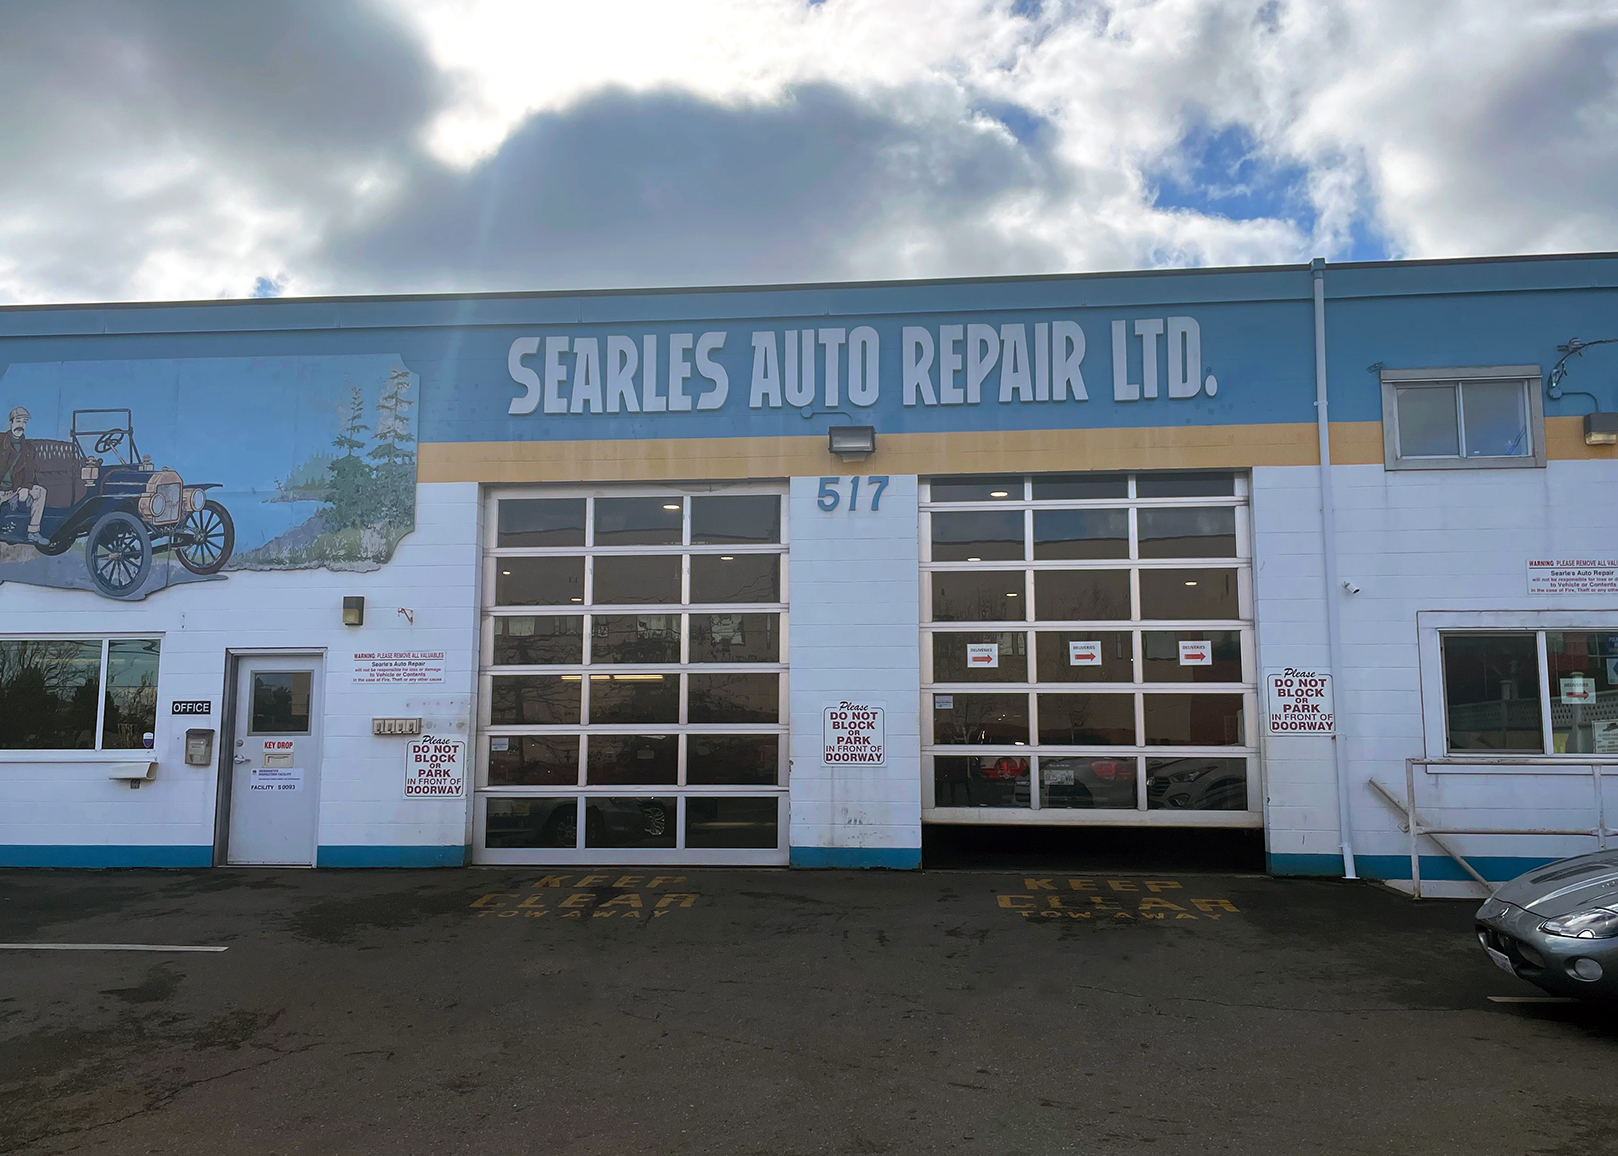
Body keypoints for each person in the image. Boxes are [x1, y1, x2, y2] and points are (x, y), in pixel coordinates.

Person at [0, 406, 48, 545]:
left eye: (24, 422)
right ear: (11, 423)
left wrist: (26, 487)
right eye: (18, 421)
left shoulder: (28, 448)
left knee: (40, 492)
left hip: (14, 489)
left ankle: (33, 532)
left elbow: (29, 470)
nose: (21, 425)